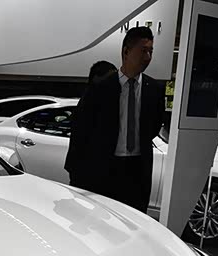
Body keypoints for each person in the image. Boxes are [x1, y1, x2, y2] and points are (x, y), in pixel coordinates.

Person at [65, 27, 166, 213]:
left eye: (151, 51)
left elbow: (153, 127)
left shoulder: (155, 90)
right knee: (104, 222)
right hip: (106, 170)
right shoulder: (100, 88)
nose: (148, 57)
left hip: (137, 172)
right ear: (126, 52)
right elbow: (81, 131)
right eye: (143, 50)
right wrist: (76, 174)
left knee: (134, 222)